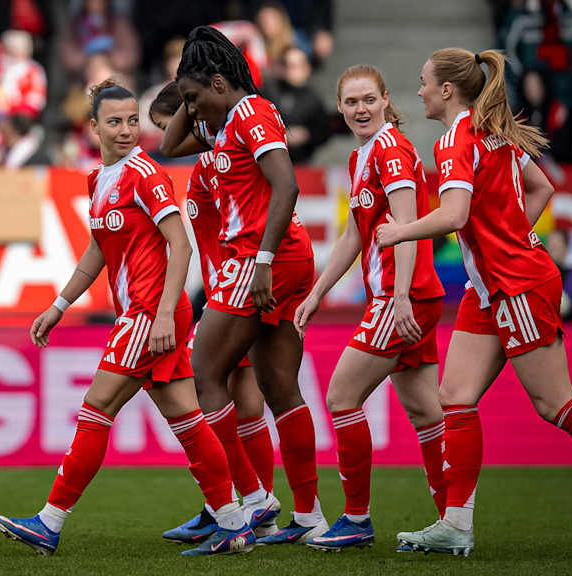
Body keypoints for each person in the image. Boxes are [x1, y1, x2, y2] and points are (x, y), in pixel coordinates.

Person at [378, 47, 572, 556]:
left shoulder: (456, 140)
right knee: (455, 395)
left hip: (517, 285)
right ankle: (456, 523)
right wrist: (510, 237)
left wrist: (400, 233)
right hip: (494, 286)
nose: (419, 91)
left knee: (554, 404)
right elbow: (540, 187)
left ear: (448, 90)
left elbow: (454, 216)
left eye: (424, 82)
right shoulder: (489, 128)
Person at [0, 79, 255, 557]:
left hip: (151, 313)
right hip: (145, 313)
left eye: (133, 120)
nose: (127, 130)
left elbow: (181, 244)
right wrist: (59, 304)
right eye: (115, 121)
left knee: (97, 406)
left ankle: (49, 522)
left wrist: (167, 314)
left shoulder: (145, 175)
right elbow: (97, 253)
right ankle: (234, 522)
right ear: (93, 128)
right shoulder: (98, 180)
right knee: (188, 420)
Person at [162, 25, 328, 545]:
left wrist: (261, 260)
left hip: (261, 259)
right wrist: (191, 94)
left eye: (194, 98)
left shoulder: (251, 114)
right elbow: (168, 143)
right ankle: (309, 518)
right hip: (274, 257)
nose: (191, 109)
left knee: (203, 371)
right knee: (280, 387)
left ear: (219, 81)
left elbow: (288, 184)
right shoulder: (226, 118)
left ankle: (253, 502)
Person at [292, 65, 446, 551]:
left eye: (368, 100)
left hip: (402, 299)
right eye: (351, 102)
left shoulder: (391, 149)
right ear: (339, 108)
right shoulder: (364, 155)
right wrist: (318, 292)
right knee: (426, 414)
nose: (361, 109)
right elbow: (356, 234)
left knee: (340, 397)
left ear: (385, 99)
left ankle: (356, 519)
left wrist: (400, 295)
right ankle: (454, 519)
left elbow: (406, 223)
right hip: (411, 297)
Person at [149, 82, 280, 544]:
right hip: (225, 284)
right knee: (243, 400)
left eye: (171, 127)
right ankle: (240, 506)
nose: (174, 141)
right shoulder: (210, 162)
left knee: (229, 394)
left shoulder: (222, 159)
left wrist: (228, 286)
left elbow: (241, 223)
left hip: (234, 285)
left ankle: (250, 502)